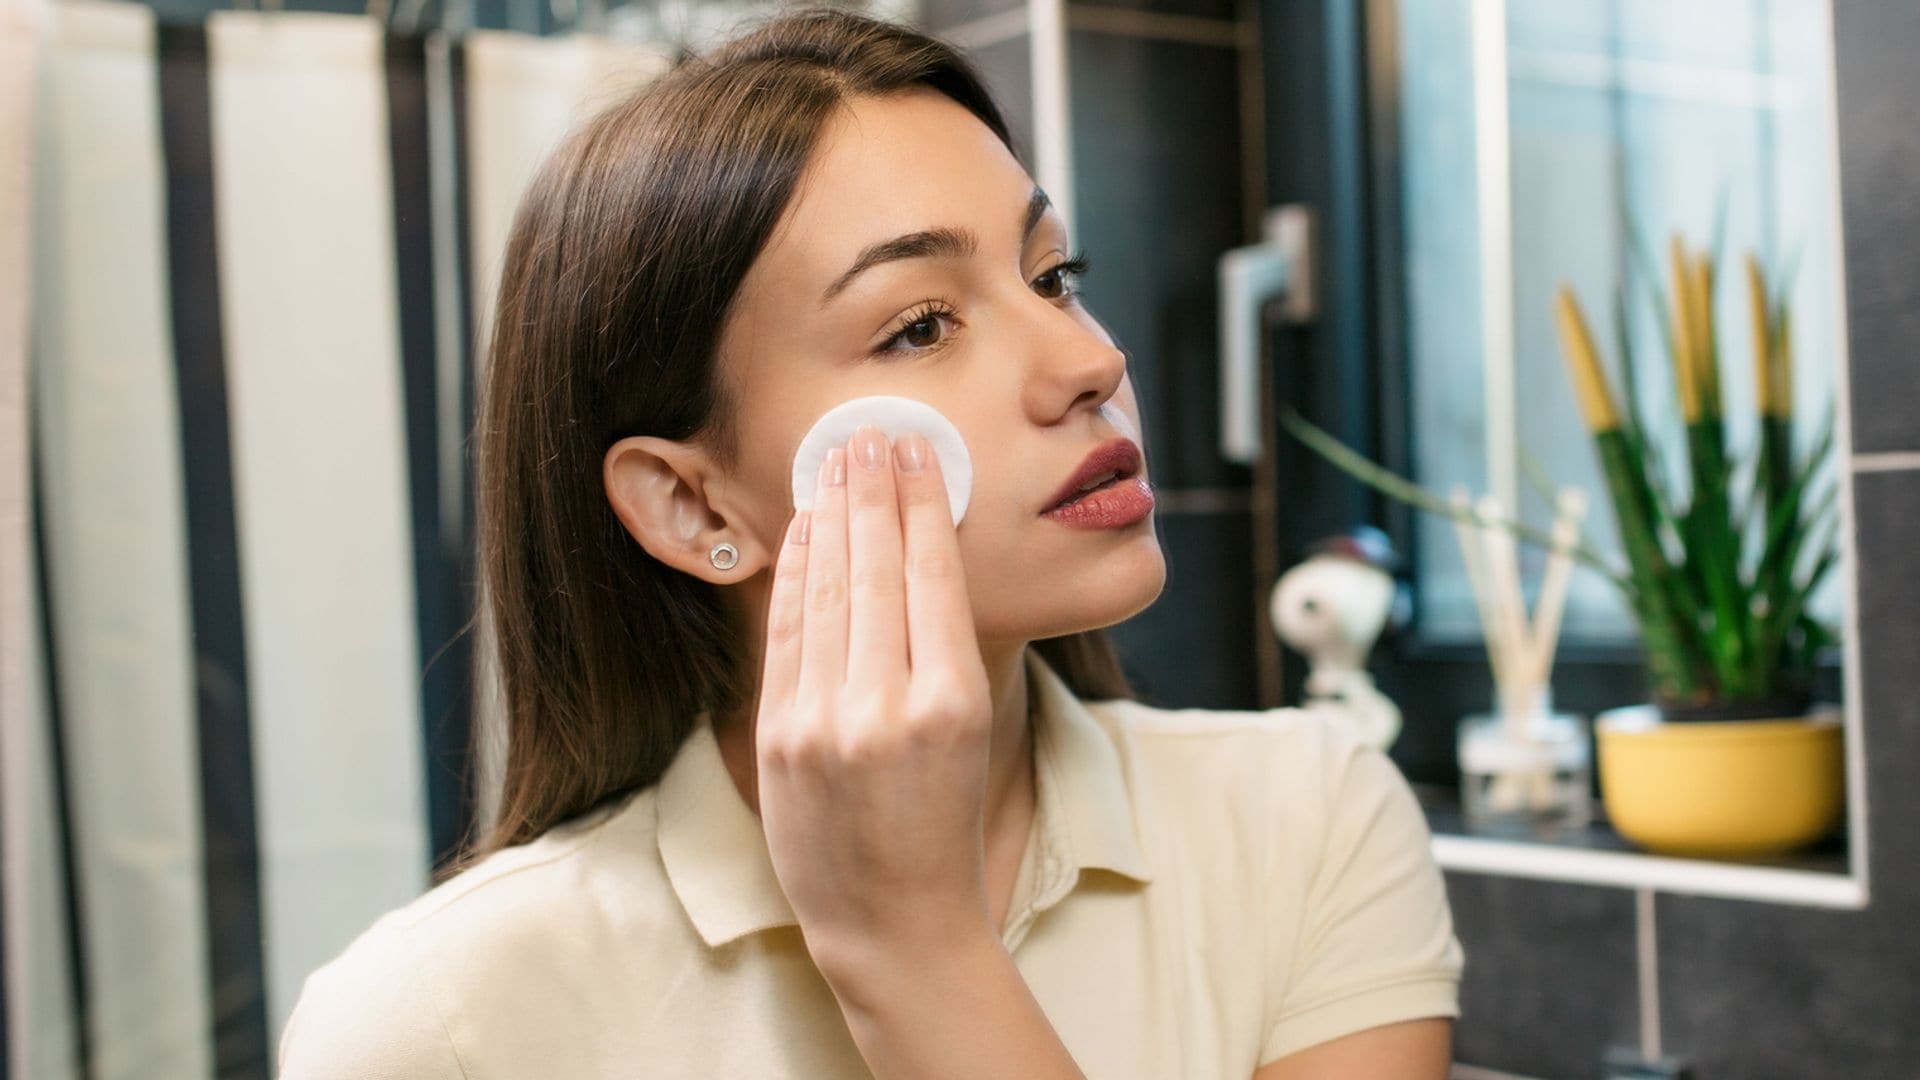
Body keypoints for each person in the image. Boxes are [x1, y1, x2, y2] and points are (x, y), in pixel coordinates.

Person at [276, 6, 1464, 1077]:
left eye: (1054, 275)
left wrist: (918, 950)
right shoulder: (435, 1024)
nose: (1091, 360)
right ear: (694, 508)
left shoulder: (1307, 820)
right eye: (920, 326)